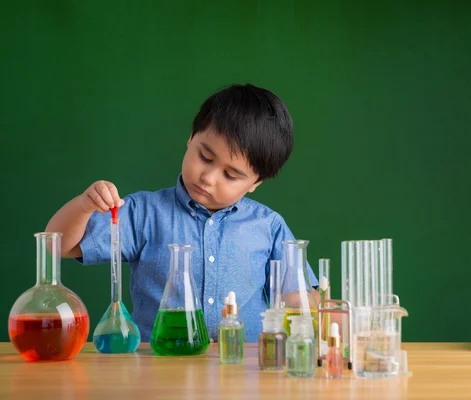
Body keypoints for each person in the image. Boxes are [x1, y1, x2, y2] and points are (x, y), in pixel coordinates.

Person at [46, 83, 317, 342]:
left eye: (231, 175)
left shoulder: (268, 226)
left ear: (256, 183)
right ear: (191, 138)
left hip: (241, 372)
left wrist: (321, 307)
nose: (209, 178)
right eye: (205, 157)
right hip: (159, 368)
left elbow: (299, 301)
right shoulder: (144, 214)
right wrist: (84, 206)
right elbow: (59, 245)